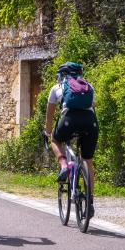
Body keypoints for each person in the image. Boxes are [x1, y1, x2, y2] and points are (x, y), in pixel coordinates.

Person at [44, 61, 98, 218]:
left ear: (61, 74)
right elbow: (92, 107)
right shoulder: (89, 86)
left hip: (69, 120)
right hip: (90, 122)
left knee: (55, 140)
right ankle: (90, 202)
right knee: (88, 160)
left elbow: (50, 115)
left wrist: (47, 132)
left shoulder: (57, 87)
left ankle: (63, 165)